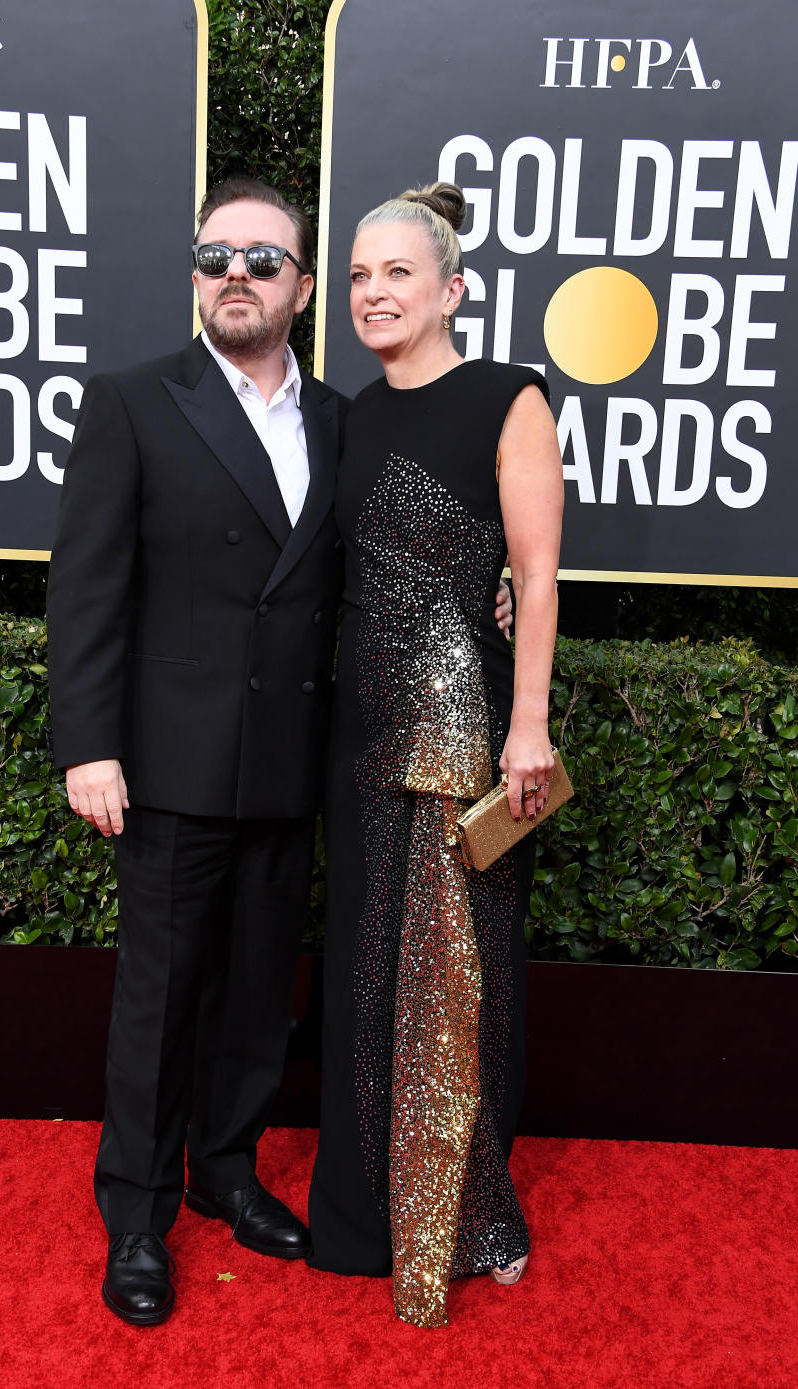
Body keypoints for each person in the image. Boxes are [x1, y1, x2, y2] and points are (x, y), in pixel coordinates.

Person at [46, 176, 349, 1326]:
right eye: (216, 254)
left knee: (258, 993)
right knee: (160, 999)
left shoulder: (338, 420)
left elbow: (363, 577)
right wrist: (89, 744)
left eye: (264, 260)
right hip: (166, 764)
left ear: (302, 288)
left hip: (286, 759)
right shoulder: (133, 402)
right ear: (194, 273)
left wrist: (501, 593)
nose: (237, 273)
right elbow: (85, 591)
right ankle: (136, 1212)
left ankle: (227, 1171)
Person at [306, 182, 563, 1328]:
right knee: (368, 972)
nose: (373, 293)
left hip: (463, 741)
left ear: (452, 288)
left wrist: (527, 723)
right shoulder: (352, 415)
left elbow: (539, 576)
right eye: (358, 276)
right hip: (358, 740)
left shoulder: (508, 399)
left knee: (458, 981)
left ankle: (471, 1220)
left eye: (396, 274)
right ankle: (365, 1218)